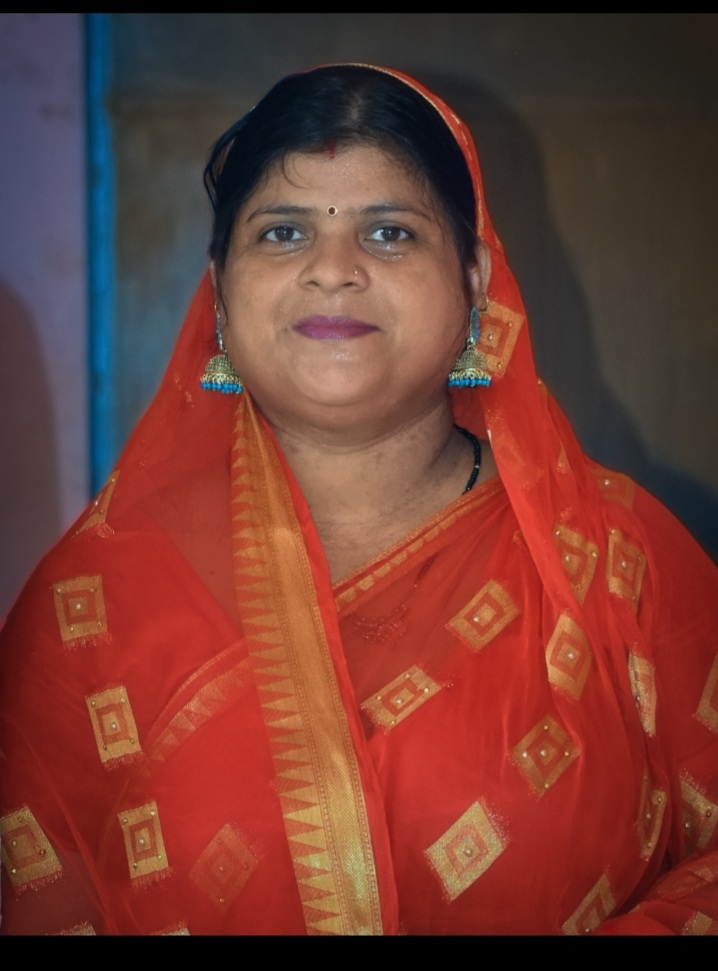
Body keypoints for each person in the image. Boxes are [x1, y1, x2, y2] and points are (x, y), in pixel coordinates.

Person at [1, 64, 717, 937]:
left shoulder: (615, 557)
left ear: (474, 279)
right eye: (282, 232)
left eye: (388, 232)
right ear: (219, 290)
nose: (333, 270)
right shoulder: (93, 606)